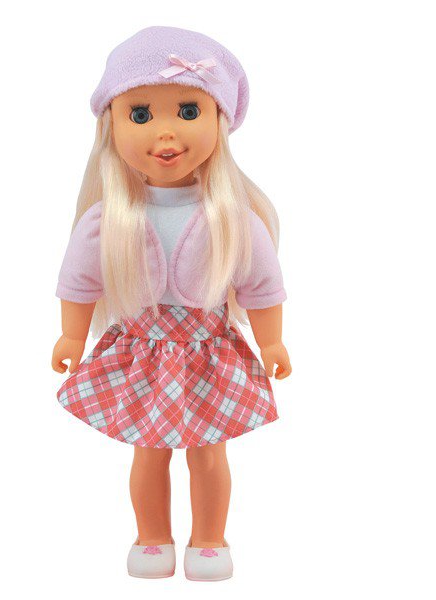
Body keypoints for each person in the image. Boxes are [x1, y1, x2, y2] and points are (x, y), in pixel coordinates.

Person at [51, 25, 292, 581]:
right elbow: (79, 282)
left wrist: (272, 340)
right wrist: (72, 334)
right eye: (140, 114)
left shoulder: (232, 219)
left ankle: (209, 539)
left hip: (209, 353)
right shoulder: (109, 220)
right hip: (142, 352)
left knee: (209, 453)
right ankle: (152, 535)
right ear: (111, 126)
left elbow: (262, 284)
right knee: (149, 451)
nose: (165, 133)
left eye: (188, 111)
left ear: (218, 122)